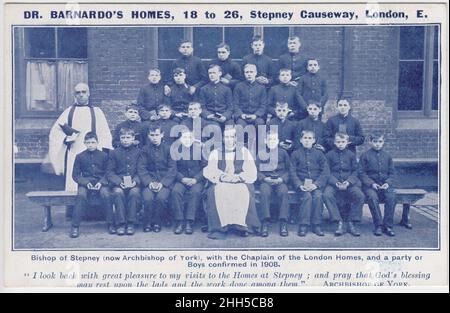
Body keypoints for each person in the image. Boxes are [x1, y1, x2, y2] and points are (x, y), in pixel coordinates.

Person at [49, 83, 113, 191]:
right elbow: (55, 132)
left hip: (94, 153)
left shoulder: (96, 112)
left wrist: (103, 152)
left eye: (84, 92)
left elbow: (105, 133)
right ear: (74, 95)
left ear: (89, 94)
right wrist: (67, 138)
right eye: (78, 92)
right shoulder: (68, 112)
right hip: (74, 151)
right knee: (74, 182)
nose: (81, 95)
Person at [203, 127, 261, 239]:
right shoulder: (216, 152)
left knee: (243, 191)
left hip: (238, 181)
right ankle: (220, 228)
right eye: (226, 137)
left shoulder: (244, 151)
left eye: (231, 137)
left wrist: (239, 177)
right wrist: (221, 176)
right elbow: (210, 169)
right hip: (222, 181)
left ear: (235, 138)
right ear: (223, 139)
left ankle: (242, 226)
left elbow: (251, 170)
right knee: (215, 192)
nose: (229, 139)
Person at [70, 132, 112, 238]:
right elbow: (75, 175)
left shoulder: (104, 156)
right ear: (84, 143)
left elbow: (108, 172)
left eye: (93, 142)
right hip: (85, 183)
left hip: (101, 182)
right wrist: (85, 182)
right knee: (81, 196)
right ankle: (75, 226)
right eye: (88, 142)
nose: (90, 145)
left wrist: (101, 182)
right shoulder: (80, 156)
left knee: (106, 195)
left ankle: (111, 223)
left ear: (97, 143)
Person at [323, 133, 365, 237]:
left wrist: (348, 182)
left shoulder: (351, 155)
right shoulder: (329, 155)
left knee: (360, 196)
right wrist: (335, 182)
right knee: (327, 195)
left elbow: (356, 171)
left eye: (343, 142)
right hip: (333, 183)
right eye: (338, 142)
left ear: (347, 143)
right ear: (334, 142)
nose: (340, 144)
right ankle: (338, 221)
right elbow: (326, 172)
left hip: (349, 183)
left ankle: (351, 222)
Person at [138, 123, 177, 233]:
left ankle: (157, 222)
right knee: (148, 198)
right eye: (152, 135)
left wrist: (163, 183)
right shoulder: (145, 150)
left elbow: (172, 169)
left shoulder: (169, 149)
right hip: (149, 181)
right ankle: (147, 222)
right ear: (149, 136)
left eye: (156, 135)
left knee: (161, 198)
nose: (154, 138)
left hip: (164, 182)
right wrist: (149, 182)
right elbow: (142, 168)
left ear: (162, 135)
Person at [290, 130, 330, 237]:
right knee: (307, 197)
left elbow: (325, 171)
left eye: (309, 138)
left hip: (316, 184)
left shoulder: (319, 154)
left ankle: (317, 224)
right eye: (305, 138)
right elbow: (292, 171)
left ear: (314, 141)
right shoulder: (295, 154)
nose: (307, 141)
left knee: (318, 196)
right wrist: (299, 185)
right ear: (300, 140)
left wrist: (316, 184)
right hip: (302, 185)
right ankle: (304, 224)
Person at [360, 133, 397, 237]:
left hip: (385, 185)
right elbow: (361, 173)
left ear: (383, 142)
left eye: (380, 142)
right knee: (372, 197)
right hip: (370, 186)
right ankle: (378, 225)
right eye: (375, 142)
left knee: (391, 197)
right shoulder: (365, 156)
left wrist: (387, 183)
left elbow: (392, 173)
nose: (377, 144)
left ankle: (388, 225)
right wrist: (371, 184)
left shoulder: (387, 156)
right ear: (370, 142)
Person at [107, 128, 141, 236]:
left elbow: (142, 170)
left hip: (134, 182)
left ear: (133, 138)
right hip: (119, 183)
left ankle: (131, 223)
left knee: (134, 193)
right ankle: (120, 223)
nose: (125, 140)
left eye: (128, 137)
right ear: (119, 138)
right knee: (117, 193)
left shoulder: (139, 152)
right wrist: (118, 182)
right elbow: (110, 172)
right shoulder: (114, 153)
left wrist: (135, 181)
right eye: (123, 138)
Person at [170, 129, 206, 235]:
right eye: (184, 137)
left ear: (194, 139)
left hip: (196, 180)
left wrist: (196, 179)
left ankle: (190, 221)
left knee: (195, 192)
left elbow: (205, 167)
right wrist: (181, 178)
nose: (187, 140)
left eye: (190, 138)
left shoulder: (199, 150)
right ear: (180, 139)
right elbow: (172, 168)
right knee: (175, 192)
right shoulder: (175, 151)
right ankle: (179, 221)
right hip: (181, 180)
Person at [256, 131, 291, 237]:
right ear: (265, 141)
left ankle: (283, 222)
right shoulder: (261, 153)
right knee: (264, 192)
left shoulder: (283, 153)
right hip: (266, 180)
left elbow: (289, 170)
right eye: (269, 140)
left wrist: (282, 179)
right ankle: (264, 222)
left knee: (284, 192)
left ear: (278, 141)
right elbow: (256, 170)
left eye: (274, 140)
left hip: (280, 180)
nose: (272, 142)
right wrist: (264, 178)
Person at [233, 63, 267, 128]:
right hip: (242, 116)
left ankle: (260, 138)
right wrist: (241, 114)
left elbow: (263, 105)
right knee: (240, 125)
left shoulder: (261, 87)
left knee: (260, 124)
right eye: (247, 72)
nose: (249, 74)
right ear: (244, 73)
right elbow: (235, 104)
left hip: (256, 116)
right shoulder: (238, 86)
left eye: (251, 72)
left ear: (255, 73)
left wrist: (256, 115)